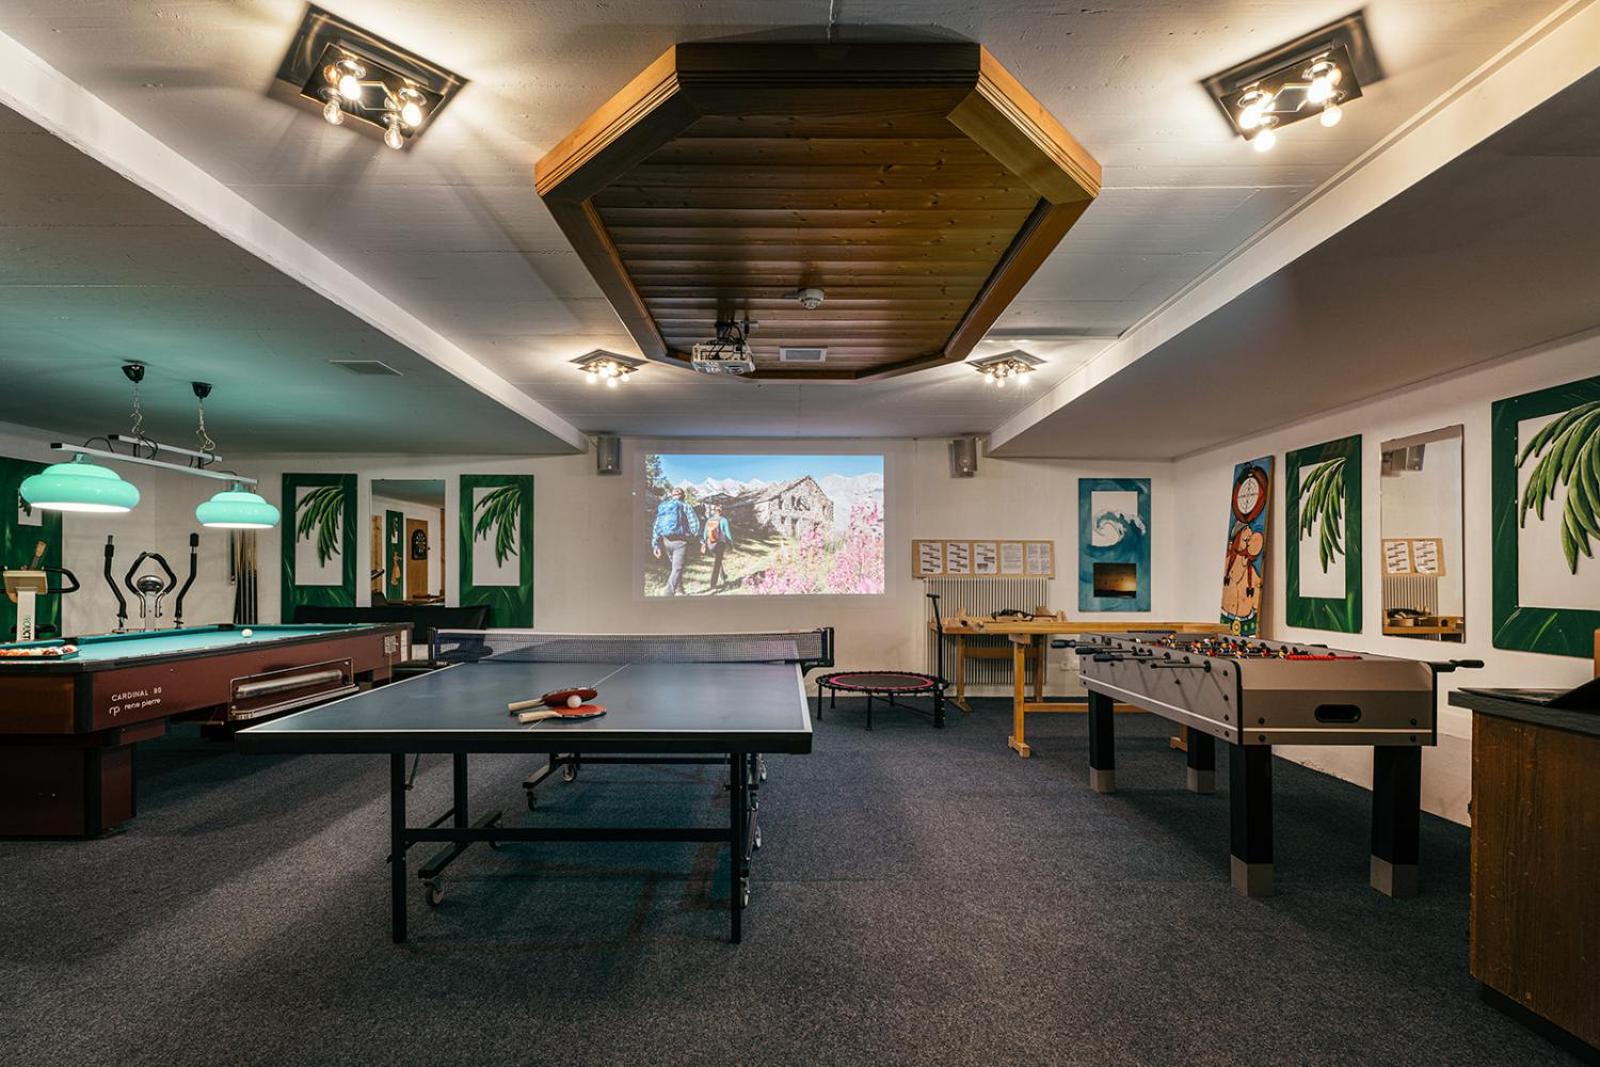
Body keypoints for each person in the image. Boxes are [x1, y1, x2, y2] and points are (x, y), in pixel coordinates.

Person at [650, 486, 700, 595]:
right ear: (683, 496)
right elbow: (695, 523)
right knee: (677, 568)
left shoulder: (664, 507)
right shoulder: (685, 505)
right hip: (680, 541)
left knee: (675, 567)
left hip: (666, 541)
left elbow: (656, 526)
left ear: (672, 496)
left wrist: (655, 545)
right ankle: (668, 592)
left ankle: (679, 590)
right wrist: (692, 537)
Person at [700, 503, 733, 593]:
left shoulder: (709, 520)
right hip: (720, 544)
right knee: (717, 563)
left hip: (710, 544)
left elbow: (705, 533)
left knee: (718, 560)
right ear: (721, 511)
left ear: (714, 511)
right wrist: (730, 543)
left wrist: (703, 543)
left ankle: (723, 576)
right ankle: (713, 584)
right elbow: (727, 533)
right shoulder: (724, 520)